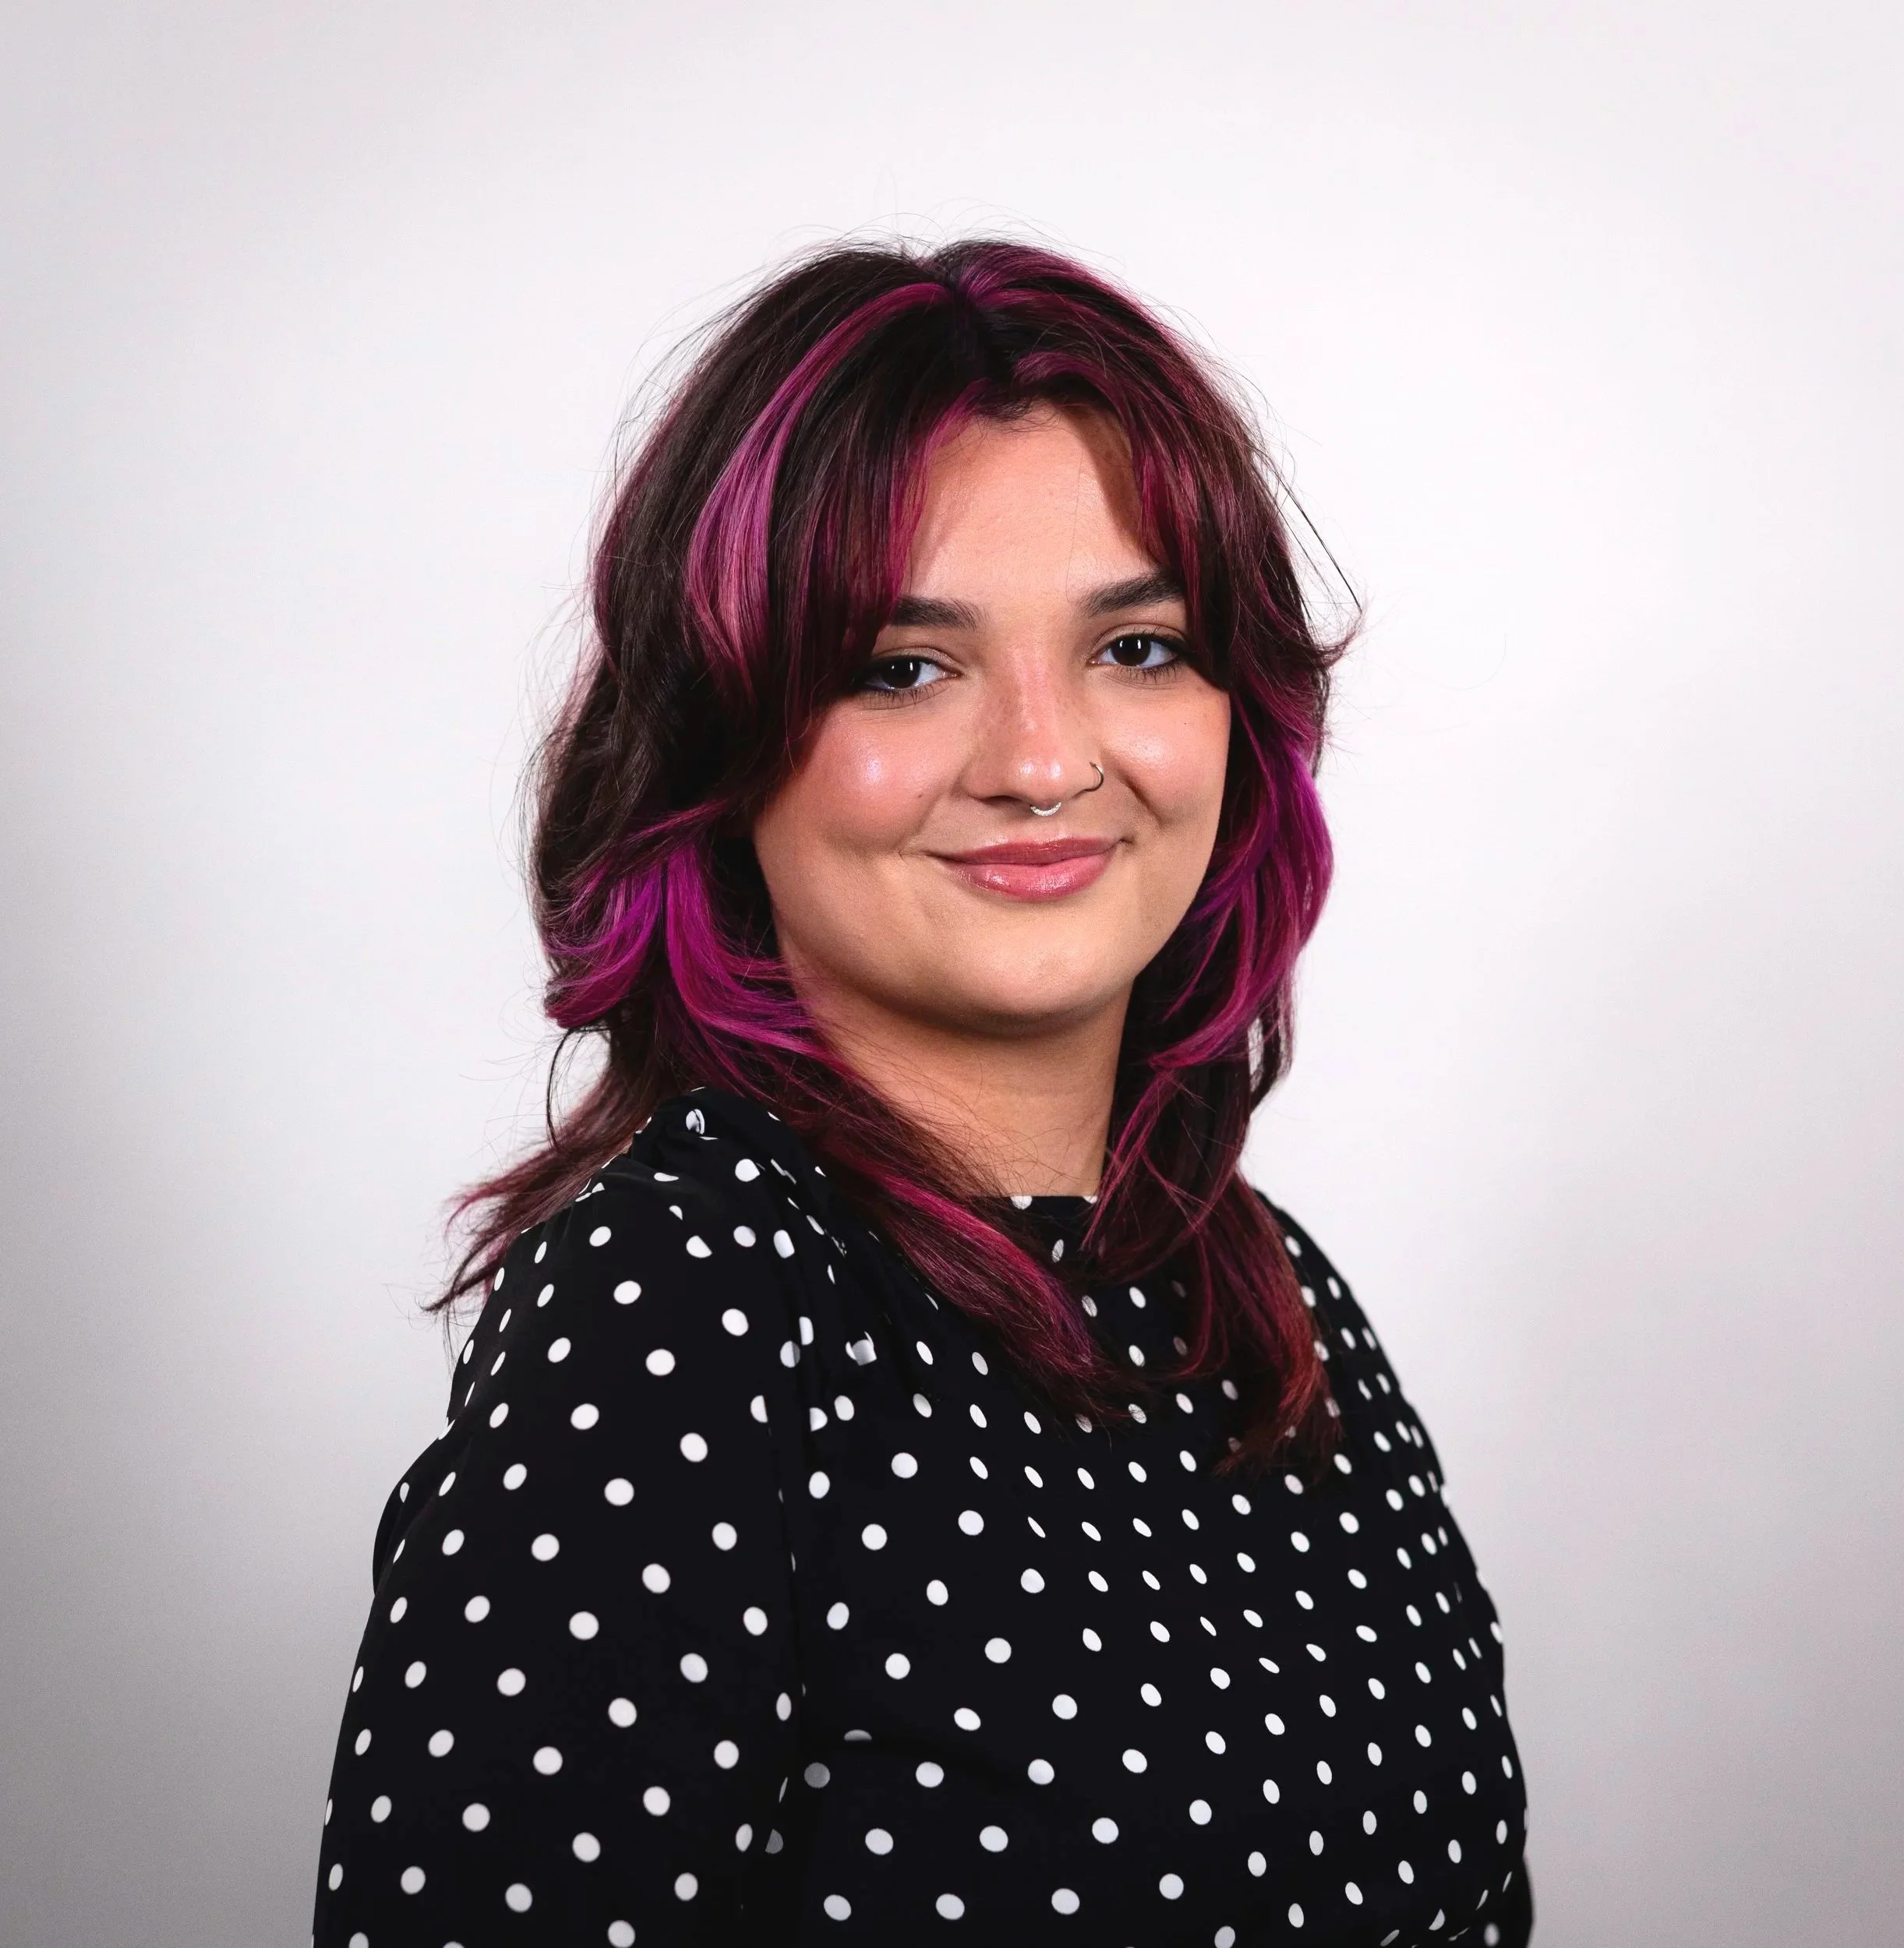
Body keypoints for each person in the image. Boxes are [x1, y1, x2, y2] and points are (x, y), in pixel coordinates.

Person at [311, 239, 1531, 1947]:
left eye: (1136, 645)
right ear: (718, 745)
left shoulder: (1264, 1293)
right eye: (901, 665)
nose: (1042, 761)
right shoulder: (684, 1314)